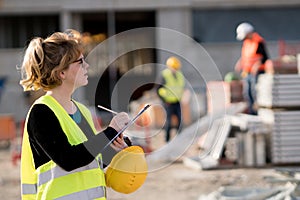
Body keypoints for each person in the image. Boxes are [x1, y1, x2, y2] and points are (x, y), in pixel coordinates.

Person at [19, 30, 147, 200]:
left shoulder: (82, 111)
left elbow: (91, 161)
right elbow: (68, 159)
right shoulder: (41, 113)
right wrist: (108, 132)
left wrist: (115, 145)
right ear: (61, 73)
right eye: (80, 62)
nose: (87, 66)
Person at [234, 22, 269, 115]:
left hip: (257, 72)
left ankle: (259, 113)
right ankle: (252, 113)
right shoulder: (246, 43)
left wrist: (258, 65)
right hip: (247, 72)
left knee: (256, 93)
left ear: (248, 33)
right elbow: (247, 56)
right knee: (247, 93)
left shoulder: (258, 41)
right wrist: (240, 62)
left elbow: (265, 58)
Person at [157, 56, 185, 142]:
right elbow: (158, 89)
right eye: (174, 68)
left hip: (177, 101)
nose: (175, 69)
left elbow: (181, 87)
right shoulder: (165, 75)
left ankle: (179, 139)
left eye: (176, 68)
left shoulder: (180, 75)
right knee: (169, 122)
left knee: (180, 121)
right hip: (168, 102)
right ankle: (167, 140)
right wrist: (165, 99)